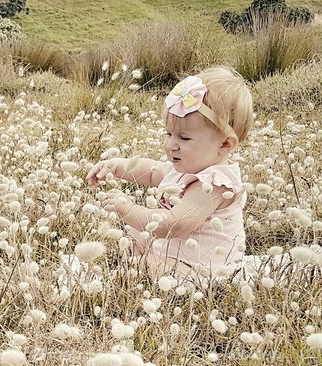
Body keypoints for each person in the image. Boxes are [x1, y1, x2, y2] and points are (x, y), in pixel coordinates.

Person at [86, 66, 254, 280]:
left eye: (184, 138)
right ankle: (135, 264)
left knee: (145, 264)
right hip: (174, 253)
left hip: (203, 269)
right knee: (133, 236)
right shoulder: (186, 167)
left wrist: (129, 211)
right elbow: (152, 171)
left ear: (224, 144)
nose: (170, 145)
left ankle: (132, 272)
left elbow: (175, 225)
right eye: (168, 133)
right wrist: (117, 166)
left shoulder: (215, 185)